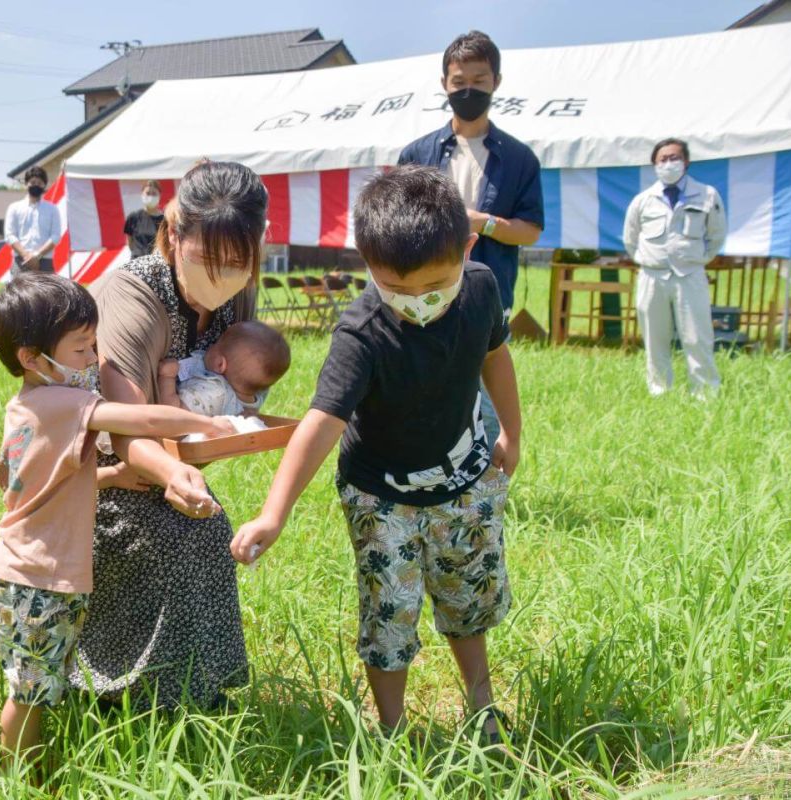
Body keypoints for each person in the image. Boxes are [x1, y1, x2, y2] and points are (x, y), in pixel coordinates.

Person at [232, 166, 521, 745]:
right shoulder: (362, 333)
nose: (417, 302)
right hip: (380, 493)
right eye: (397, 288)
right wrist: (274, 512)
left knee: (469, 597)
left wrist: (511, 431)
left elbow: (496, 355)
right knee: (390, 613)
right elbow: (320, 423)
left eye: (434, 285)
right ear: (368, 266)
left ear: (466, 249)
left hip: (463, 478)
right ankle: (390, 731)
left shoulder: (483, 287)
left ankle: (482, 706)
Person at [0, 273, 233, 771]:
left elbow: (17, 480)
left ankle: (28, 766)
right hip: (41, 579)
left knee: (32, 681)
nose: (94, 361)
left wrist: (113, 475)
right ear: (32, 359)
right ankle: (18, 776)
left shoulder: (26, 407)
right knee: (30, 692)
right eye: (81, 350)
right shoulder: (66, 401)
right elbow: (138, 420)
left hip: (18, 571)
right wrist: (202, 422)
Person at [69, 160, 267, 709]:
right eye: (209, 258)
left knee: (203, 528)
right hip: (101, 477)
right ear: (176, 232)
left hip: (169, 465)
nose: (223, 276)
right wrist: (171, 470)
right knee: (184, 536)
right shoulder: (133, 295)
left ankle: (192, 690)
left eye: (238, 263)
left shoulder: (237, 294)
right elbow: (124, 422)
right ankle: (119, 693)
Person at [398, 30, 542, 449]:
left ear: (496, 81)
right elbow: (400, 222)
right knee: (422, 391)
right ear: (444, 83)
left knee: (486, 397)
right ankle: (426, 474)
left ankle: (486, 486)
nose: (468, 90)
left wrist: (484, 223)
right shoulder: (418, 154)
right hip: (423, 293)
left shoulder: (518, 158)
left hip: (487, 291)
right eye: (459, 82)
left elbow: (530, 230)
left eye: (479, 81)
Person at [623, 138, 726, 396]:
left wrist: (697, 258)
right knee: (655, 338)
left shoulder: (707, 195)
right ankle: (659, 391)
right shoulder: (643, 200)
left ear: (686, 161)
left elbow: (716, 236)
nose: (669, 164)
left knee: (696, 337)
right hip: (652, 275)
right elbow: (630, 239)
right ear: (654, 165)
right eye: (663, 159)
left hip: (689, 274)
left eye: (674, 158)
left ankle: (705, 393)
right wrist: (649, 259)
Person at [158, 320, 291, 417]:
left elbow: (173, 415)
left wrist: (167, 378)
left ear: (220, 364)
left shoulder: (214, 394)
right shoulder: (257, 394)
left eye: (217, 343)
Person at [5, 166, 59, 274]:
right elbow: (9, 235)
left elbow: (55, 236)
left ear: (44, 186)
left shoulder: (52, 209)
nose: (36, 185)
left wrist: (37, 255)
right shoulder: (14, 207)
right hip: (21, 261)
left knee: (48, 291)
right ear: (26, 184)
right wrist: (26, 255)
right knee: (19, 291)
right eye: (32, 182)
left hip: (45, 261)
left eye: (39, 183)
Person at [123, 180, 165, 258]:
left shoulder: (165, 220)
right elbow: (130, 243)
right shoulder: (133, 217)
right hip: (136, 263)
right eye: (148, 193)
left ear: (160, 195)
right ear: (142, 194)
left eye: (154, 194)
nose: (151, 196)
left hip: (156, 264)